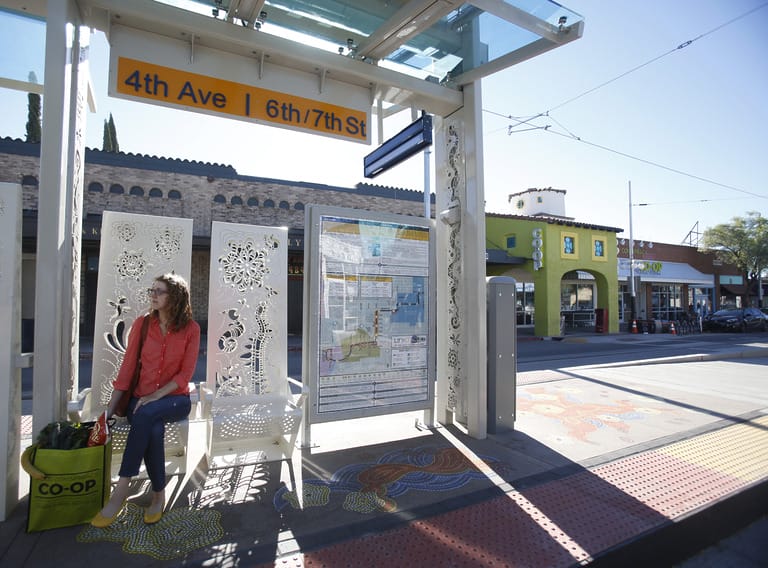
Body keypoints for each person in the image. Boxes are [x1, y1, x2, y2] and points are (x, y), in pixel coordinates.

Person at [91, 273, 200, 527]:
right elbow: (127, 370)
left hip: (175, 400)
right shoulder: (142, 325)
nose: (153, 295)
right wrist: (108, 411)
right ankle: (158, 495)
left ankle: (121, 490)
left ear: (175, 296)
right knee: (151, 427)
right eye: (152, 290)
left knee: (147, 413)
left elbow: (185, 375)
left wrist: (155, 396)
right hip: (139, 402)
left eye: (159, 291)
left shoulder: (191, 329)